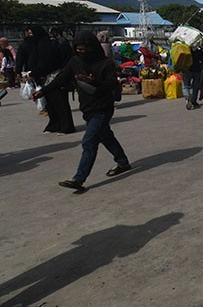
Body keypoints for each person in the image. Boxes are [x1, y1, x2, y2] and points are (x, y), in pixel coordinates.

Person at [32, 31, 130, 190]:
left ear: (93, 48)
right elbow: (61, 78)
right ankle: (123, 162)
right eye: (79, 50)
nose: (82, 53)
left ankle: (79, 179)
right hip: (87, 108)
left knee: (89, 141)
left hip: (103, 108)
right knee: (105, 136)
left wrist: (94, 81)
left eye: (85, 49)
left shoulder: (106, 63)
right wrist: (43, 91)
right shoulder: (75, 62)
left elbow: (112, 84)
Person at [15, 25, 76, 134]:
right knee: (50, 103)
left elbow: (47, 63)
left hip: (55, 77)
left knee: (60, 102)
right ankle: (55, 124)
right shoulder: (36, 45)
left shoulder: (48, 45)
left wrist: (34, 72)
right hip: (44, 78)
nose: (29, 36)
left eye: (31, 33)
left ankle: (67, 126)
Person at [184, 46, 203, 110]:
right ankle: (193, 101)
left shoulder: (185, 49)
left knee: (186, 86)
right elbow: (202, 61)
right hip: (197, 70)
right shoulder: (199, 50)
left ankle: (187, 98)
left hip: (187, 70)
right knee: (195, 86)